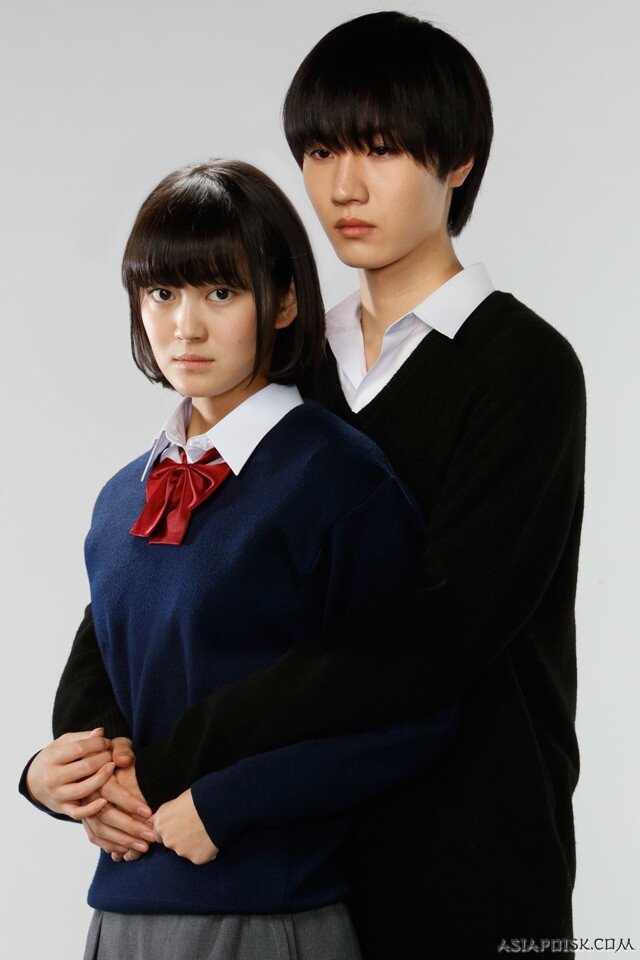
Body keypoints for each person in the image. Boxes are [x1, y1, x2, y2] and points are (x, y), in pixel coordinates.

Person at [23, 10, 587, 959]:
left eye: (383, 149)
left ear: (459, 161)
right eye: (321, 151)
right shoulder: (281, 365)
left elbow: (439, 629)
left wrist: (176, 760)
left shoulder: (523, 369)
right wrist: (88, 757)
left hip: (468, 855)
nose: (344, 187)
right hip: (283, 865)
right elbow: (140, 583)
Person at [19, 157, 461, 960]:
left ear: (284, 301)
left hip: (265, 915)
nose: (185, 327)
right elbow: (106, 685)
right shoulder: (122, 497)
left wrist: (232, 803)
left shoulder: (338, 479)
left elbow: (415, 712)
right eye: (162, 293)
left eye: (221, 293)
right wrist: (52, 778)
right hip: (120, 917)